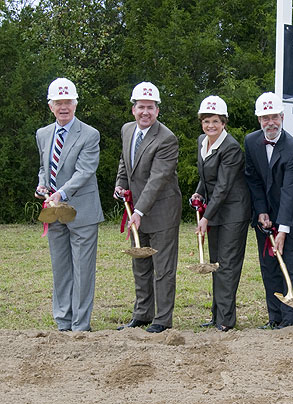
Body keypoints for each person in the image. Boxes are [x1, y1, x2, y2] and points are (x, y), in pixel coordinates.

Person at [34, 78, 104, 332]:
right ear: (50, 106)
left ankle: (80, 325)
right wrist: (43, 185)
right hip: (53, 212)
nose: (63, 107)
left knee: (83, 271)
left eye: (68, 102)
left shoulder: (89, 134)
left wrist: (60, 193)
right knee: (61, 268)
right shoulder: (42, 134)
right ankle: (63, 321)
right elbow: (45, 167)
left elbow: (84, 172)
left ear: (75, 104)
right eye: (58, 102)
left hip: (81, 212)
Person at [115, 82, 182, 333]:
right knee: (140, 264)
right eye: (141, 107)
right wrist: (120, 185)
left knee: (162, 268)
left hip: (162, 211)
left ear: (157, 110)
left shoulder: (167, 138)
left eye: (150, 108)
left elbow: (157, 179)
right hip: (137, 211)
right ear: (133, 109)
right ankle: (142, 314)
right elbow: (125, 161)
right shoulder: (127, 130)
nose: (146, 112)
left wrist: (139, 212)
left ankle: (162, 319)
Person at [244, 92, 293, 329]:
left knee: (291, 264)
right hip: (267, 215)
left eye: (274, 117)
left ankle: (289, 319)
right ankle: (275, 318)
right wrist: (261, 211)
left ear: (282, 117)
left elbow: (290, 192)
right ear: (259, 120)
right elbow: (253, 179)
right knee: (269, 265)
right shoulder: (251, 141)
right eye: (265, 118)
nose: (270, 122)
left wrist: (282, 230)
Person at [191, 95, 251, 332]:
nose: (210, 126)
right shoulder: (201, 141)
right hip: (215, 209)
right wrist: (198, 194)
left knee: (226, 266)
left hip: (233, 213)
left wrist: (205, 218)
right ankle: (216, 316)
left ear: (224, 122)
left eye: (215, 121)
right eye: (206, 121)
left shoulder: (231, 148)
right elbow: (206, 179)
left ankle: (226, 320)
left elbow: (224, 186)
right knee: (216, 264)